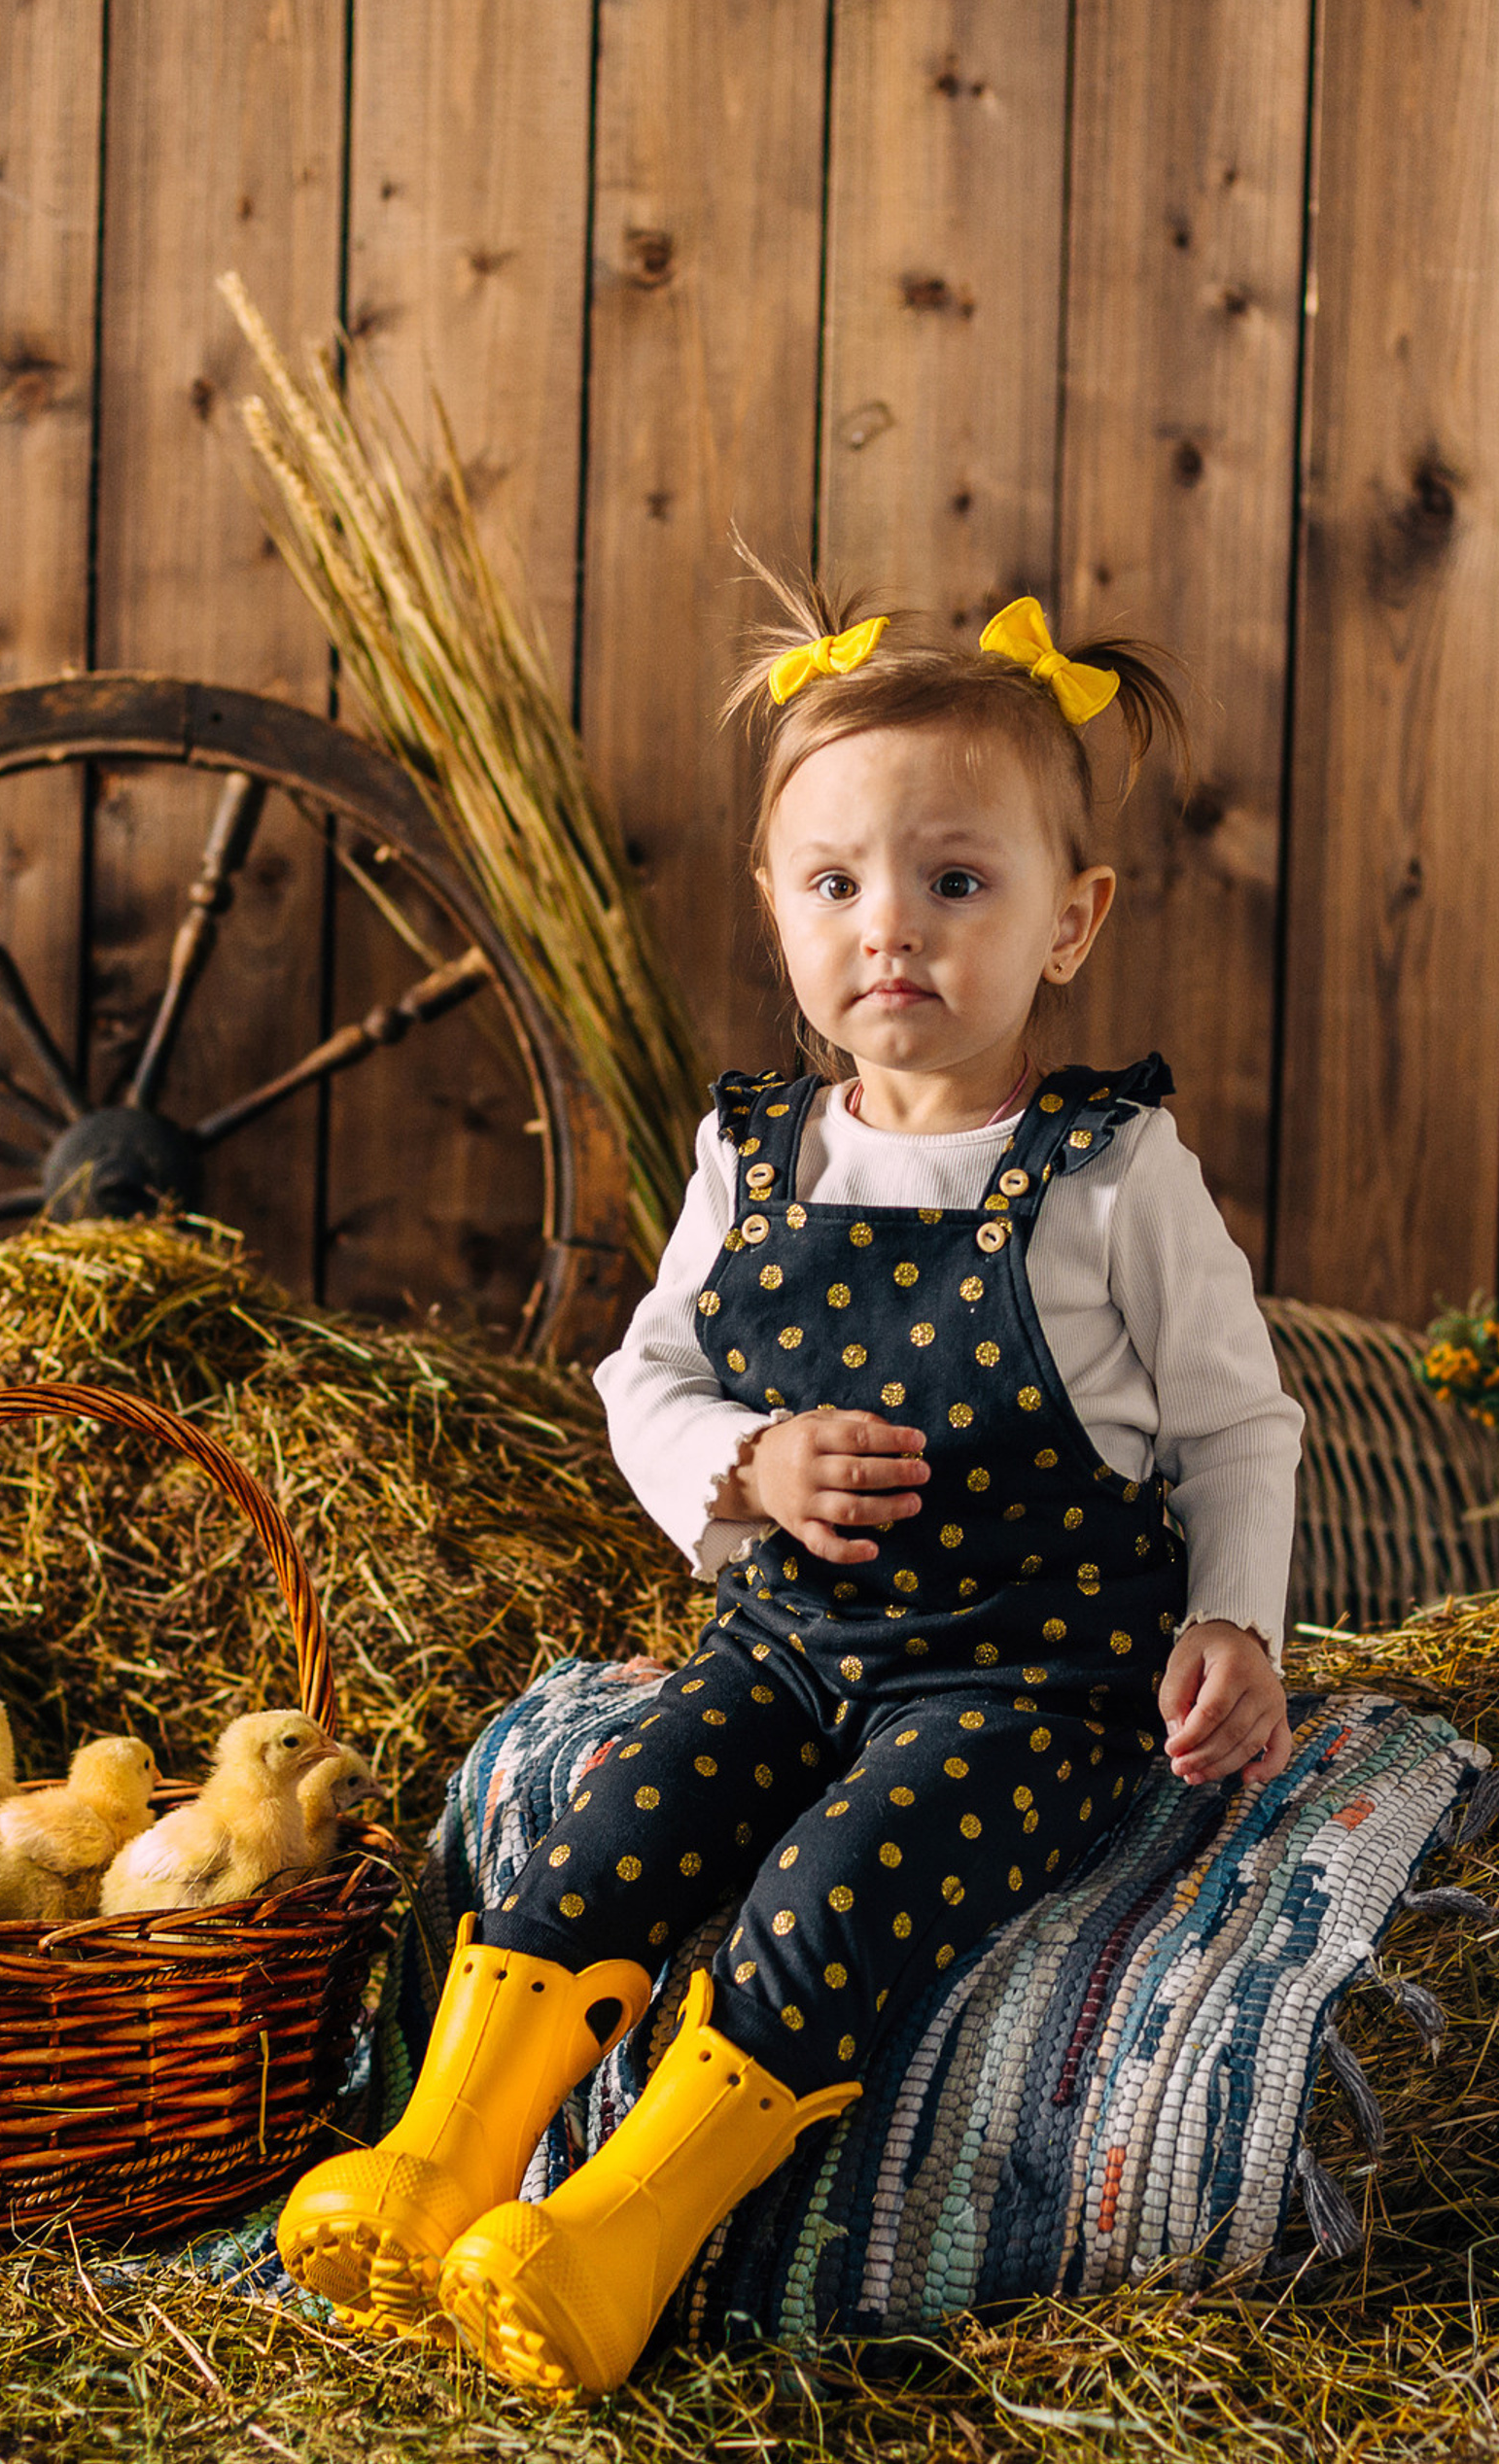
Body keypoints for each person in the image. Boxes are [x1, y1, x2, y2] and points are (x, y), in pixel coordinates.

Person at [278, 565, 1305, 2399]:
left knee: (829, 1892)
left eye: (954, 882)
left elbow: (1238, 1423)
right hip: (783, 1647)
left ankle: (621, 2236)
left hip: (1020, 1677)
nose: (888, 927)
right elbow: (645, 1375)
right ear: (776, 911)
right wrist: (741, 1461)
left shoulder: (1111, 1174)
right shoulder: (749, 1152)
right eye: (837, 885)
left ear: (1071, 924)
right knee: (620, 1813)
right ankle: (438, 2162)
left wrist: (1232, 1613)